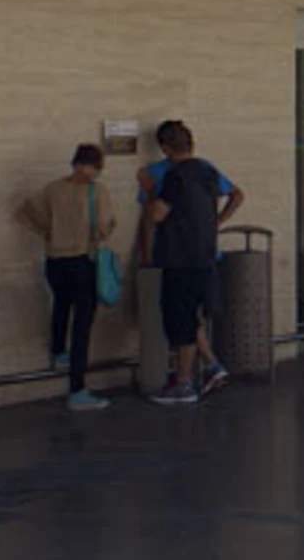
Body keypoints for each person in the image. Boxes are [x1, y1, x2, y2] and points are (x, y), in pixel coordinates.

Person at [138, 120, 243, 396]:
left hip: (179, 256)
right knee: (193, 317)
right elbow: (236, 194)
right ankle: (209, 367)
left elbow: (156, 215)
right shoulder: (207, 171)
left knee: (180, 320)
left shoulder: (175, 176)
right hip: (205, 255)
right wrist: (216, 222)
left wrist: (149, 191)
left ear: (165, 147)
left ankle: (184, 383)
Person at [20, 145, 117, 411]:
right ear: (96, 166)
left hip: (54, 261)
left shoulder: (52, 189)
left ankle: (58, 354)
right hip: (82, 261)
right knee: (83, 325)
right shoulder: (97, 191)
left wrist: (49, 233)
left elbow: (27, 211)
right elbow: (104, 226)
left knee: (61, 306)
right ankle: (77, 389)